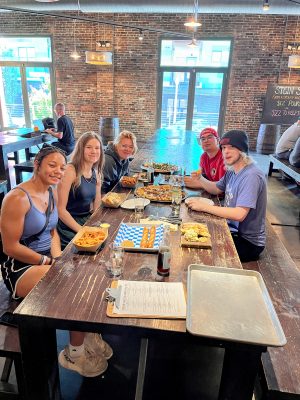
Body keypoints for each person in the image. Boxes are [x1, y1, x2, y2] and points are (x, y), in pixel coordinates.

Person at [0, 145, 112, 378]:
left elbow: (52, 233)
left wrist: (58, 258)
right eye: (52, 165)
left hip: (47, 259)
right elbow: (10, 247)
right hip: (20, 268)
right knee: (74, 286)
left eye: (62, 167)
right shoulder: (17, 198)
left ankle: (88, 332)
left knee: (92, 274)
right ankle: (74, 353)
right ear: (37, 164)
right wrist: (48, 262)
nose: (58, 171)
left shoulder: (50, 191)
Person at [186, 130, 267, 262]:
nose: (226, 152)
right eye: (223, 148)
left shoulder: (251, 175)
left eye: (232, 147)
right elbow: (216, 188)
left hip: (248, 242)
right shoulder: (232, 170)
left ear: (242, 150)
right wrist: (200, 178)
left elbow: (239, 214)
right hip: (232, 229)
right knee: (191, 233)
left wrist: (203, 207)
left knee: (198, 252)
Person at [57, 131, 104, 249]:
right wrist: (82, 230)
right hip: (68, 223)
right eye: (89, 147)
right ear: (81, 149)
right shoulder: (70, 170)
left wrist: (96, 225)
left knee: (106, 242)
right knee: (93, 248)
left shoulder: (95, 172)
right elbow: (60, 210)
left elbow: (96, 208)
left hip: (86, 219)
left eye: (97, 148)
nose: (94, 151)